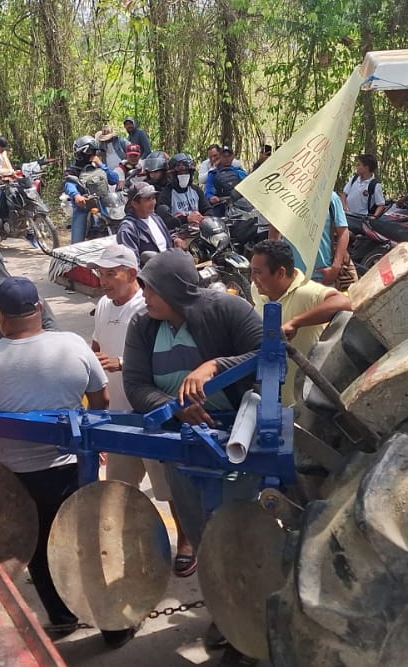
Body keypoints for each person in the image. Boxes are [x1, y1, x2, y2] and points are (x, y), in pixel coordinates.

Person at [0, 277, 113, 642]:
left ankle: (61, 616)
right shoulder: (72, 345)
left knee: (38, 547)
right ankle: (113, 627)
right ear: (40, 310)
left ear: (1, 317)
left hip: (13, 476)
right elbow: (101, 400)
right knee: (85, 544)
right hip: (71, 470)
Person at [122, 248, 262, 585]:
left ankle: (246, 593)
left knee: (238, 525)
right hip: (180, 440)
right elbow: (136, 386)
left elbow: (270, 353)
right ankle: (219, 594)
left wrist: (215, 365)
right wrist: (175, 407)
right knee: (197, 524)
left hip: (236, 435)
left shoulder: (227, 309)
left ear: (175, 290)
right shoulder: (142, 325)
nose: (144, 295)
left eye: (152, 288)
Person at [89, 246, 171, 503]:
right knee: (117, 494)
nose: (103, 281)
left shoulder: (148, 307)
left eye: (111, 274)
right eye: (100, 274)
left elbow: (165, 357)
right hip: (118, 417)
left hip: (152, 417)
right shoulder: (103, 304)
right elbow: (96, 346)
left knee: (172, 495)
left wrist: (123, 363)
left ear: (133, 273)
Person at [248, 239, 351, 405]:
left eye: (257, 272)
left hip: (300, 402)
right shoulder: (257, 289)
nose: (252, 278)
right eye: (252, 272)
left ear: (280, 273)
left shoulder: (307, 292)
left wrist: (295, 322)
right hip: (267, 394)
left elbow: (344, 302)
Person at [64, 135, 118, 244]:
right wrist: (76, 196)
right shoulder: (73, 170)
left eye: (94, 151)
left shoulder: (98, 166)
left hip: (104, 204)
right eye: (89, 151)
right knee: (77, 243)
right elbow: (69, 184)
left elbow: (114, 179)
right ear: (80, 153)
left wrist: (101, 165)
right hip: (84, 205)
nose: (92, 154)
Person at [115, 183, 176, 258]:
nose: (153, 203)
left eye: (153, 198)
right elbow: (131, 261)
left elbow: (168, 242)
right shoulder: (128, 230)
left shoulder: (156, 218)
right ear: (135, 204)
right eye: (148, 199)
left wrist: (175, 240)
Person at [203, 146, 248, 216]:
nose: (227, 158)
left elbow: (247, 187)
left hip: (238, 206)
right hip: (220, 206)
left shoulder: (240, 172)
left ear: (232, 157)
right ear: (220, 157)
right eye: (224, 156)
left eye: (229, 156)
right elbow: (208, 192)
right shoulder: (213, 174)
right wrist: (211, 197)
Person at [342, 153, 388, 217]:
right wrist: (344, 206)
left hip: (361, 219)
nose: (357, 167)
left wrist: (374, 217)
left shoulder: (375, 185)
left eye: (359, 165)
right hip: (346, 215)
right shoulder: (354, 179)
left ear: (366, 168)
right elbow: (344, 194)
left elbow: (381, 205)